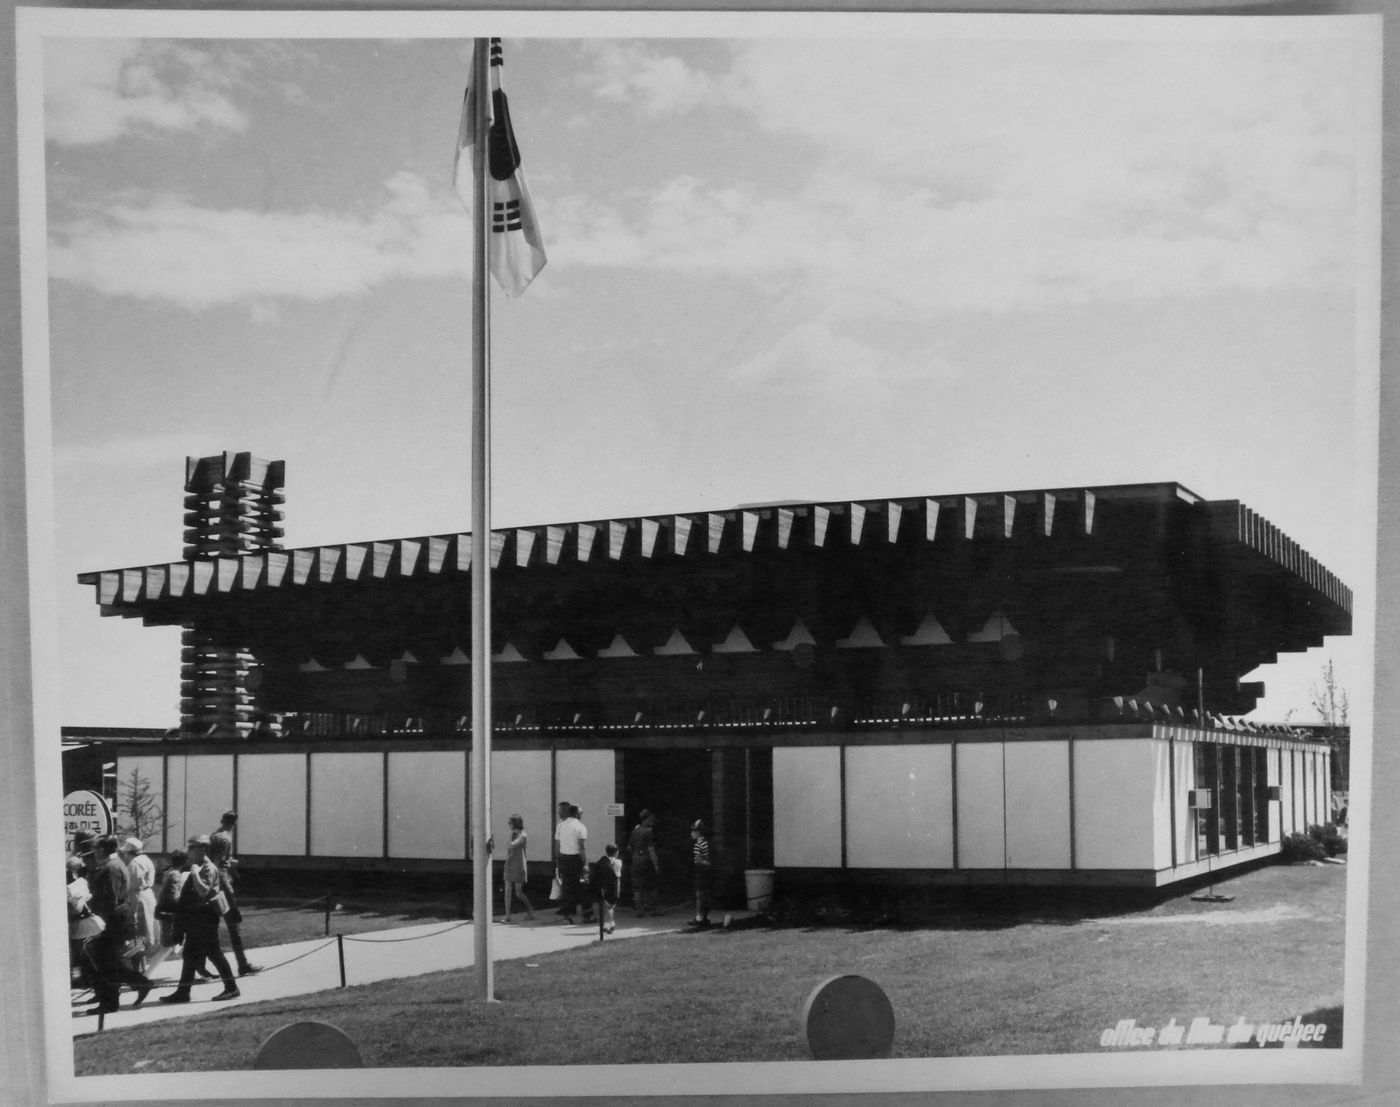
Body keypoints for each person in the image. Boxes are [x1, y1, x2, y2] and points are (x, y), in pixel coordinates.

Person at [159, 835, 240, 1003]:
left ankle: (231, 988)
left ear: (202, 849)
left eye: (191, 848)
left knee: (214, 953)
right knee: (190, 954)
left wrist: (195, 873)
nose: (188, 852)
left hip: (205, 917)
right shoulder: (198, 866)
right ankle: (183, 992)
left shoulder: (208, 868)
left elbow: (203, 892)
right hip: (195, 918)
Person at [85, 835, 153, 1014]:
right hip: (113, 919)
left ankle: (112, 1001)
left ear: (102, 849)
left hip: (111, 921)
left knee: (106, 961)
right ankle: (137, 985)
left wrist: (98, 921)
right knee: (110, 961)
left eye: (95, 848)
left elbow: (111, 900)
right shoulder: (113, 865)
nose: (93, 851)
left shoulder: (111, 868)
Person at [209, 809, 260, 976]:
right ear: (234, 824)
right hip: (221, 886)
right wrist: (226, 890)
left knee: (208, 926)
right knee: (234, 925)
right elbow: (217, 865)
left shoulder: (214, 835)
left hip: (212, 884)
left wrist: (229, 862)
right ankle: (242, 964)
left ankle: (199, 967)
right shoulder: (224, 838)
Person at [146, 849, 189, 978]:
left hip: (166, 911)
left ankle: (197, 970)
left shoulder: (169, 872)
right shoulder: (175, 874)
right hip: (170, 913)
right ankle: (145, 975)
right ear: (185, 861)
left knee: (170, 945)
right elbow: (174, 894)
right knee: (167, 946)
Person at [119, 837, 157, 975]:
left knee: (136, 932)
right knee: (143, 933)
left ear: (130, 852)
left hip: (139, 898)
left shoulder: (135, 864)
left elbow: (134, 887)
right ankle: (141, 968)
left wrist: (130, 911)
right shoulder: (146, 860)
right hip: (147, 896)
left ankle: (138, 970)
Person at [553, 802, 589, 925]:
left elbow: (557, 845)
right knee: (583, 886)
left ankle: (567, 915)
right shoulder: (581, 827)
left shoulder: (560, 826)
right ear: (577, 814)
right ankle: (586, 915)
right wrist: (585, 863)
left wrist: (558, 860)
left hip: (563, 858)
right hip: (576, 858)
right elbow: (582, 847)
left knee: (567, 887)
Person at [66, 856, 99, 988]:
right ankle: (82, 977)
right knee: (78, 950)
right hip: (77, 918)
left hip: (78, 918)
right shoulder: (74, 880)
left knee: (79, 950)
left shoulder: (77, 879)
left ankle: (83, 977)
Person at [501, 814, 535, 923]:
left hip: (519, 865)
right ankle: (507, 916)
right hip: (510, 863)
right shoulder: (512, 834)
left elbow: (511, 845)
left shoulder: (523, 835)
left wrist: (510, 840)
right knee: (507, 890)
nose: (509, 825)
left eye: (510, 823)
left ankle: (530, 909)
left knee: (518, 892)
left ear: (515, 823)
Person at [627, 809, 660, 917]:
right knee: (652, 886)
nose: (652, 821)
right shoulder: (648, 831)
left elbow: (629, 847)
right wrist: (656, 864)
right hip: (646, 861)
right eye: (651, 819)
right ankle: (654, 910)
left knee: (637, 887)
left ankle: (639, 910)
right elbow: (651, 849)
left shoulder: (635, 831)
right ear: (645, 819)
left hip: (635, 860)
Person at [592, 844, 622, 934]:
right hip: (616, 885)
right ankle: (609, 924)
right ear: (616, 852)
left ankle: (609, 924)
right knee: (611, 906)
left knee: (607, 906)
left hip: (605, 885)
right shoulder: (618, 862)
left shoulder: (603, 862)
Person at [688, 820, 712, 929]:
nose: (691, 833)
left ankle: (699, 918)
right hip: (706, 872)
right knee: (705, 894)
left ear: (698, 832)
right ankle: (704, 916)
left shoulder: (698, 844)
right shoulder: (706, 842)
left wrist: (704, 862)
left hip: (700, 871)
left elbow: (698, 859)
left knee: (700, 895)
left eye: (693, 831)